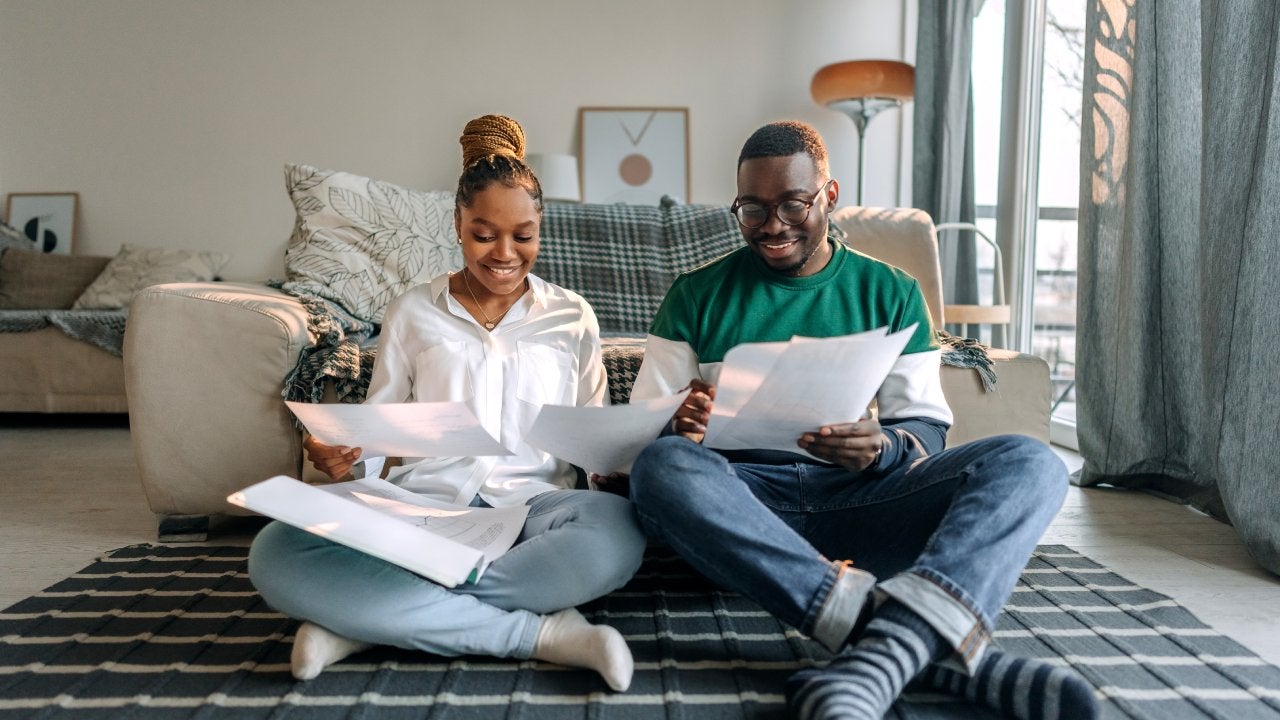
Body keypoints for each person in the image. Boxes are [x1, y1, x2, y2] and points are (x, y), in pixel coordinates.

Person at [620, 120, 1098, 720]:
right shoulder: (695, 295)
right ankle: (920, 649)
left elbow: (925, 429)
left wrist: (885, 447)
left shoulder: (891, 291)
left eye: (793, 203)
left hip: (861, 500)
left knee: (1030, 462)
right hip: (741, 513)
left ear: (829, 196)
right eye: (751, 209)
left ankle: (875, 649)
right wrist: (675, 425)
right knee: (664, 467)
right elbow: (639, 442)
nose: (771, 226)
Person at [248, 114, 646, 692]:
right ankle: (540, 635)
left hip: (534, 512)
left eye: (524, 234)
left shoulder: (572, 316)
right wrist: (344, 460)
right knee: (277, 550)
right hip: (424, 509)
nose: (505, 253)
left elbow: (591, 441)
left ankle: (367, 620)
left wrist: (617, 466)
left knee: (617, 532)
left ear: (542, 228)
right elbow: (378, 439)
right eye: (485, 234)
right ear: (458, 225)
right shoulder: (412, 311)